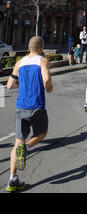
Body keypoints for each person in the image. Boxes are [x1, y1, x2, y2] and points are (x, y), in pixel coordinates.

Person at [6, 36, 53, 192]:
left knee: (17, 141)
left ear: (28, 46)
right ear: (42, 47)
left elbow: (10, 85)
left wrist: (23, 83)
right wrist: (49, 87)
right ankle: (26, 148)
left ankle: (12, 179)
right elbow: (46, 79)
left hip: (21, 106)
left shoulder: (19, 62)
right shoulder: (42, 60)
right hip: (36, 105)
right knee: (42, 132)